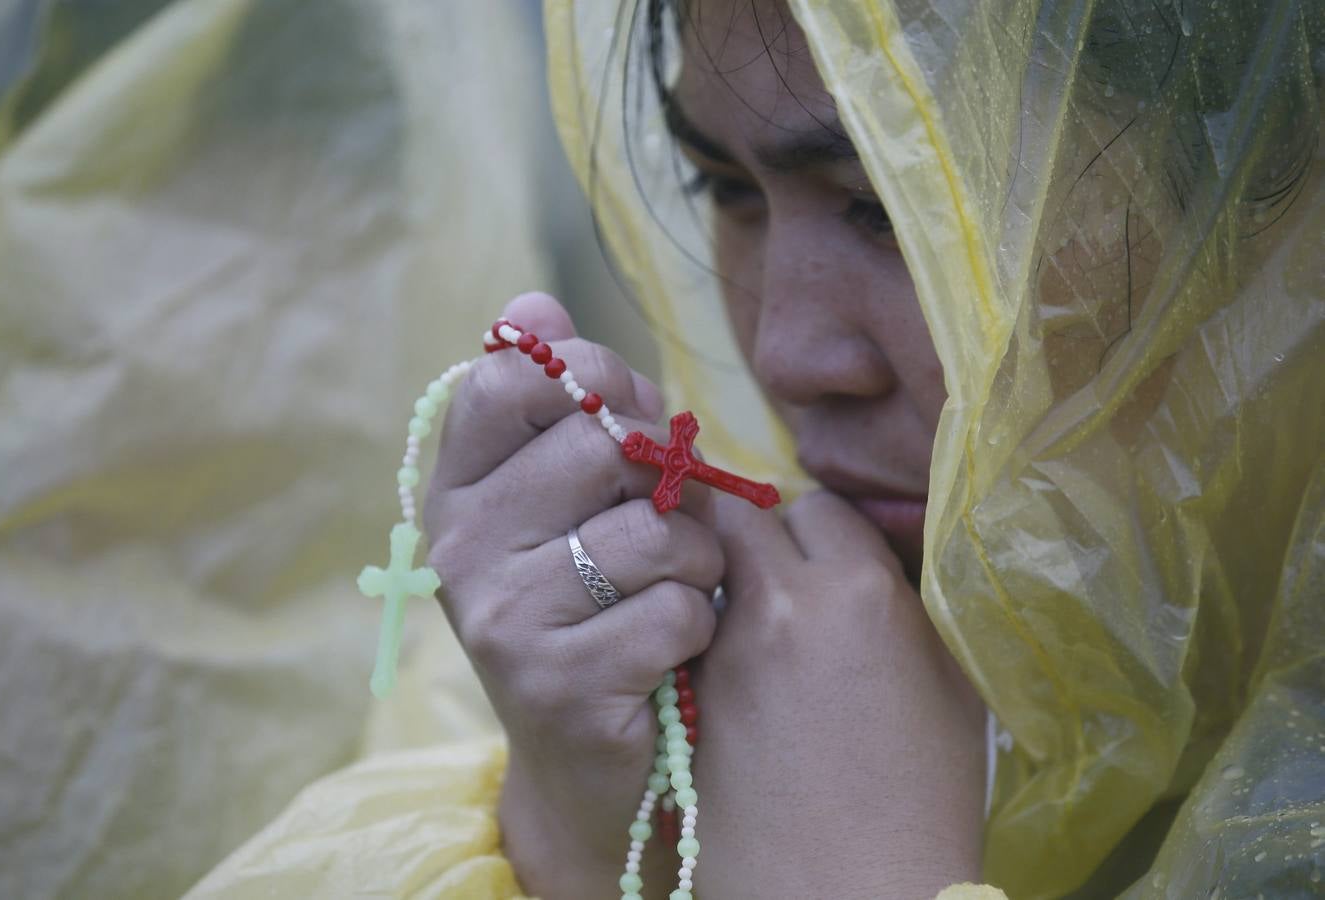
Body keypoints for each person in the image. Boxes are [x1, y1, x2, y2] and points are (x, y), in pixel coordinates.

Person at [191, 0, 1324, 897]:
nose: (783, 354)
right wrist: (583, 843)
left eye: (895, 210)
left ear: (1272, 235)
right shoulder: (692, 660)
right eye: (727, 190)